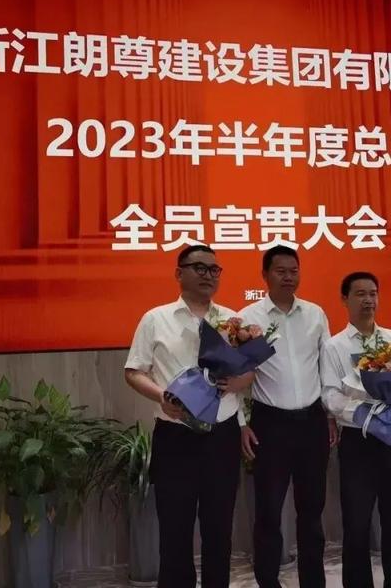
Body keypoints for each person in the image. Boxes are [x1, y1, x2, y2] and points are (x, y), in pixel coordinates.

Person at [124, 244, 254, 588]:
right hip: (175, 435)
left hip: (221, 435)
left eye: (214, 269)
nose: (208, 275)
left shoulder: (232, 321)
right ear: (179, 273)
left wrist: (237, 383)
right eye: (199, 267)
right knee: (174, 529)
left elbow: (249, 373)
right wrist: (161, 397)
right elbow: (134, 371)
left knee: (219, 529)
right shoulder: (156, 319)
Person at [239, 245, 338, 588]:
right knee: (268, 511)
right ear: (264, 275)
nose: (288, 277)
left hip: (312, 423)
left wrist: (330, 414)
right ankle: (268, 581)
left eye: (294, 271)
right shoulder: (248, 318)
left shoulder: (315, 314)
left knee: (311, 511)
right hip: (270, 424)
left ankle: (314, 581)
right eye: (280, 271)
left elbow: (327, 368)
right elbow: (235, 374)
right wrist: (241, 423)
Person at [321, 271, 391, 588]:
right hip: (357, 440)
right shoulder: (334, 346)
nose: (368, 300)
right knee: (357, 521)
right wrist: (365, 414)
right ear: (345, 299)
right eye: (360, 294)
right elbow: (330, 395)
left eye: (373, 293)